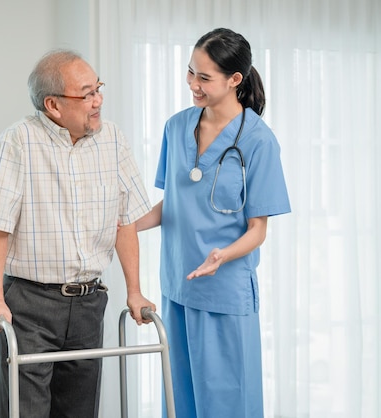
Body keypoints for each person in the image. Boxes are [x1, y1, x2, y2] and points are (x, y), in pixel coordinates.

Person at [0, 49, 156, 418]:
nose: (98, 101)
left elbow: (124, 222)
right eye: (87, 93)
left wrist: (135, 291)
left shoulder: (113, 140)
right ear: (53, 106)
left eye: (98, 89)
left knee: (79, 411)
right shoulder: (18, 142)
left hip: (89, 304)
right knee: (25, 411)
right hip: (30, 305)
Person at [137, 28, 291, 418]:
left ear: (235, 80)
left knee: (227, 402)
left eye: (204, 78)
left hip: (223, 290)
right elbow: (173, 203)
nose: (193, 84)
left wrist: (222, 257)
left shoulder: (259, 141)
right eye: (191, 72)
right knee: (181, 399)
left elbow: (258, 229)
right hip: (176, 284)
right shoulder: (176, 127)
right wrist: (126, 225)